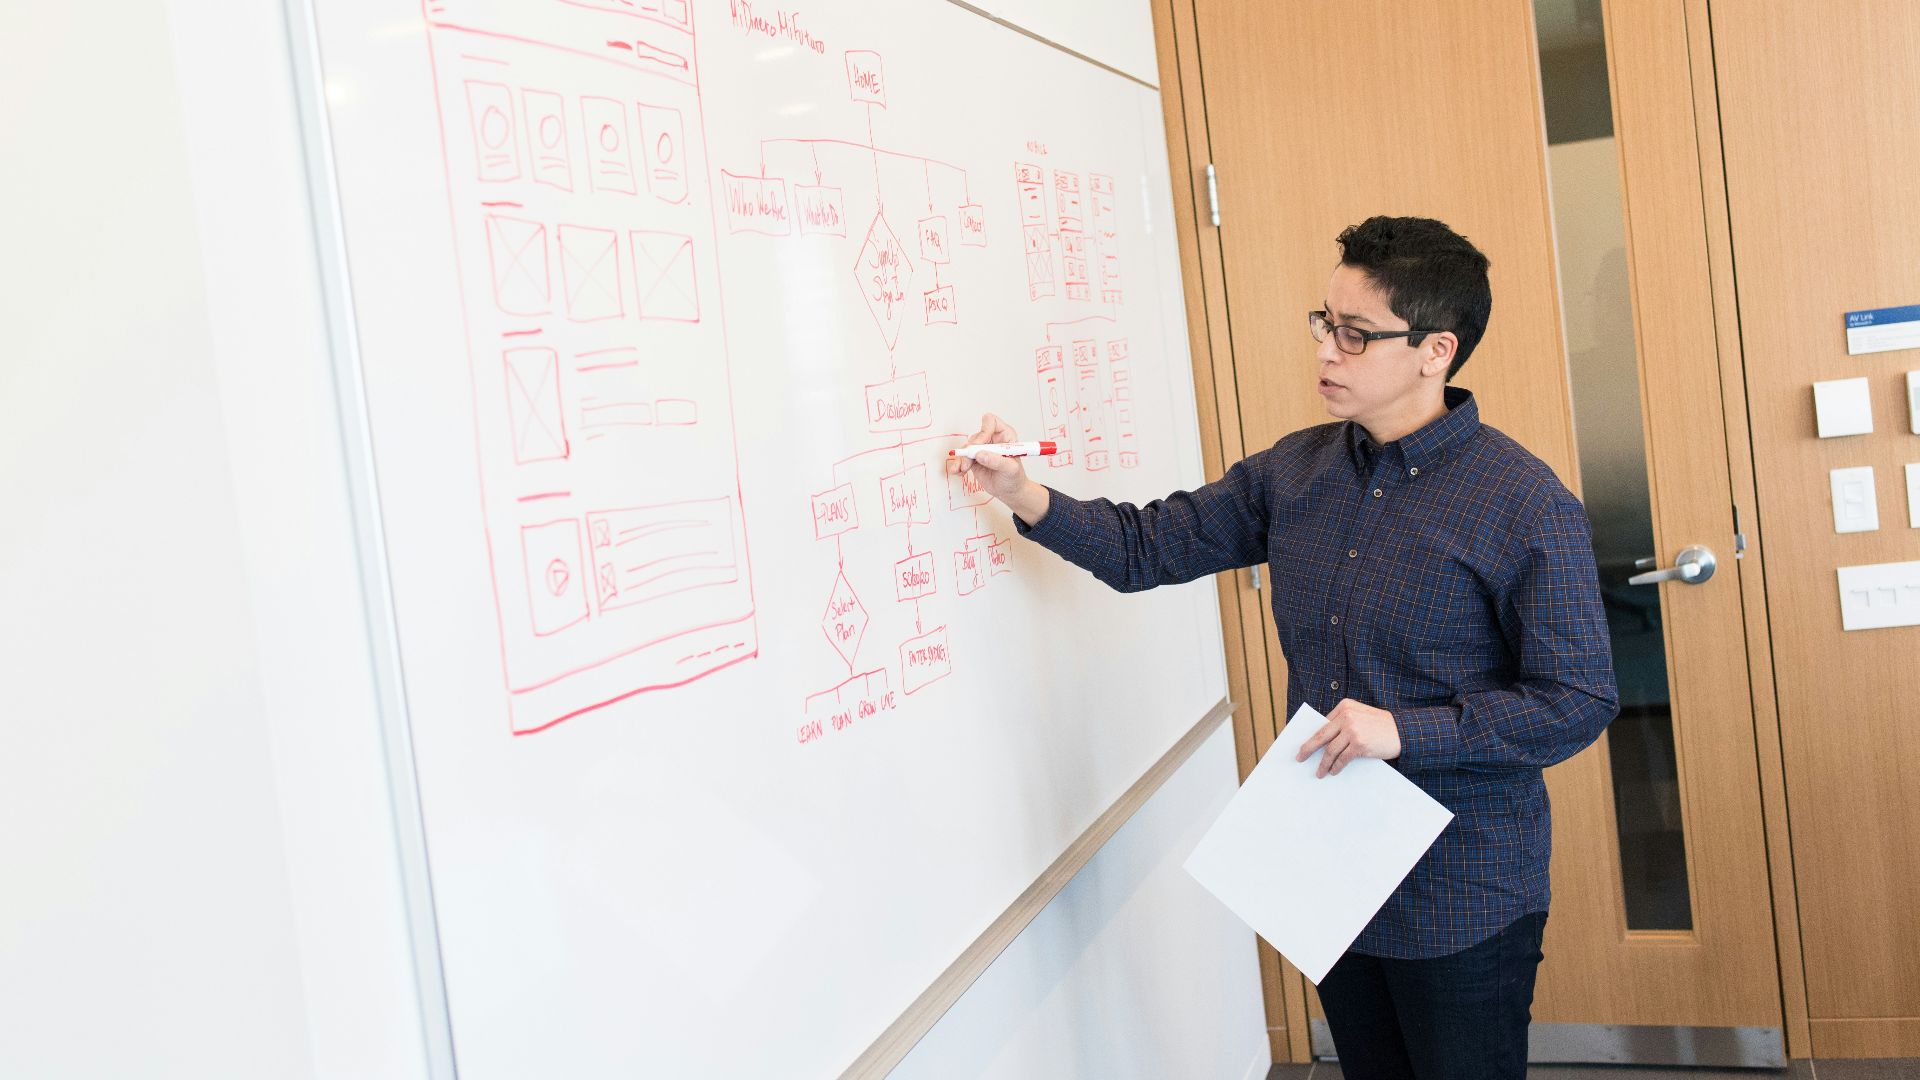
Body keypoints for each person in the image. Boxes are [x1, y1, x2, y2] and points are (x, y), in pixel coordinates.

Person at [949, 215, 1618, 1079]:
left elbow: (1577, 699)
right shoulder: (1295, 472)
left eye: (1355, 334)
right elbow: (1147, 547)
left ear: (1435, 350)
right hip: (1330, 872)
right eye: (1324, 324)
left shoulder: (1523, 503)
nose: (1327, 353)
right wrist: (1023, 492)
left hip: (1462, 888)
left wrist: (1409, 731)